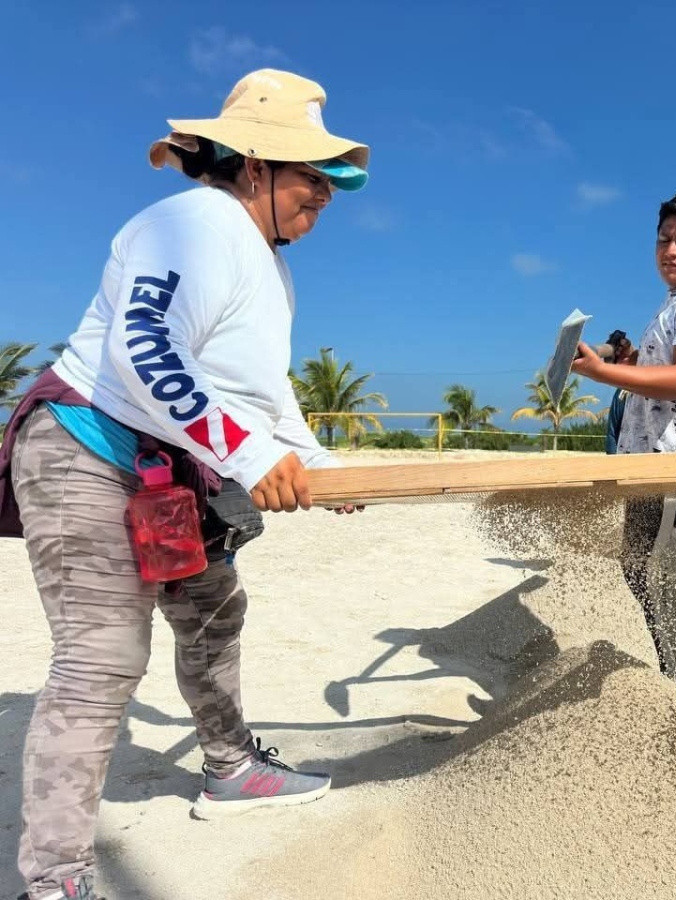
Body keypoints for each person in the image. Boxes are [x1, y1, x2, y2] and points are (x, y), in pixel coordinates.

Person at [0, 69, 372, 900]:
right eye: (312, 175)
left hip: (165, 471)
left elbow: (263, 397)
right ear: (255, 166)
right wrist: (248, 457)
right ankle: (55, 879)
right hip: (85, 450)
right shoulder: (193, 223)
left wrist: (322, 469)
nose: (324, 194)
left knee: (212, 607)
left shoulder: (268, 266)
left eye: (329, 181)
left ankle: (232, 768)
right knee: (101, 657)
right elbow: (145, 349)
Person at [573, 187, 676, 694]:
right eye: (664, 239)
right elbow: (668, 373)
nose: (670, 250)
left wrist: (604, 374)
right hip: (655, 467)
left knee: (663, 575)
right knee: (645, 570)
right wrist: (628, 362)